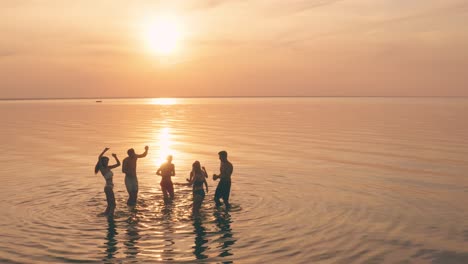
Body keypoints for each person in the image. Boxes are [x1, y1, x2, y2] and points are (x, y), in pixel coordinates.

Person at [95, 147, 121, 216]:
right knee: (113, 205)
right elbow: (99, 157)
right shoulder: (102, 168)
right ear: (102, 162)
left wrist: (115, 157)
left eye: (107, 161)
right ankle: (110, 217)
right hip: (108, 188)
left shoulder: (108, 167)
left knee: (110, 205)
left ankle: (106, 214)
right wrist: (104, 151)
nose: (107, 162)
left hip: (109, 187)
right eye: (106, 161)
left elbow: (118, 164)